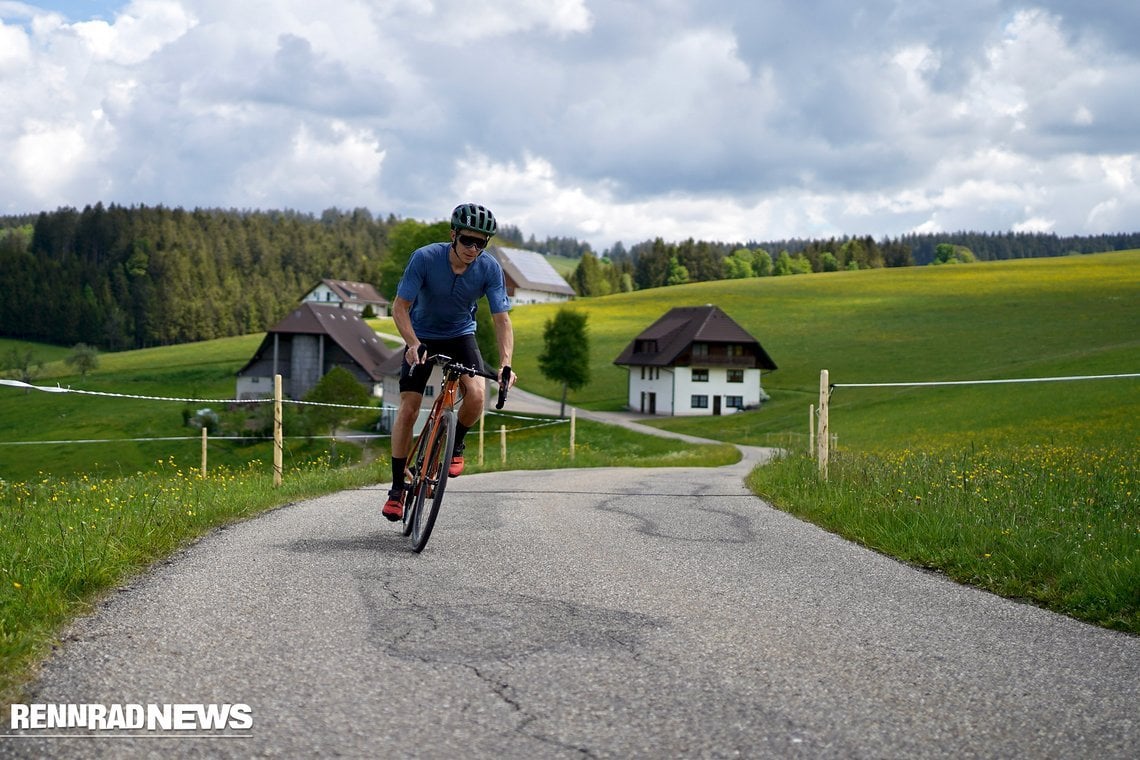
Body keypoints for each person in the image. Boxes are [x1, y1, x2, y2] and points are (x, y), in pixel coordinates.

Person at [382, 203, 516, 521]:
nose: (474, 249)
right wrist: (412, 343)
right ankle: (397, 489)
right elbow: (400, 307)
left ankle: (455, 447)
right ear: (453, 235)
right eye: (468, 240)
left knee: (478, 395)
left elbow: (502, 320)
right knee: (409, 408)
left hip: (460, 336)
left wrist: (505, 363)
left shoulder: (489, 269)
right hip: (422, 336)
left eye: (481, 243)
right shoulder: (426, 258)